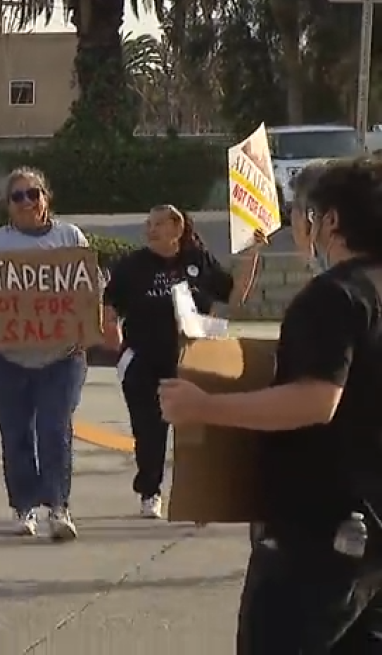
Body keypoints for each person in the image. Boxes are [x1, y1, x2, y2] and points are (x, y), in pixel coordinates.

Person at [158, 157, 382, 653]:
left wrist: (203, 407)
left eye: (304, 214)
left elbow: (315, 400)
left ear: (331, 221)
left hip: (322, 533)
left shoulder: (335, 297)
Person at [101, 204, 264, 519]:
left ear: (177, 229)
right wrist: (114, 338)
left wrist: (253, 253)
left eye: (158, 223)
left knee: (198, 433)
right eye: (148, 223)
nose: (150, 229)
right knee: (149, 431)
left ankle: (200, 496)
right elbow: (110, 306)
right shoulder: (132, 266)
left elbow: (235, 296)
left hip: (191, 359)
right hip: (145, 360)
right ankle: (150, 492)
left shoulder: (198, 261)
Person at [0, 167, 88, 541]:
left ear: (46, 198)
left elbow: (88, 288)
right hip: (6, 358)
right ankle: (23, 507)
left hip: (62, 354)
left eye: (33, 194)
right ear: (7, 205)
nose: (27, 202)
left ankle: (58, 506)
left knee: (55, 429)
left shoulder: (70, 237)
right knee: (16, 433)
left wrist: (89, 328)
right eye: (18, 196)